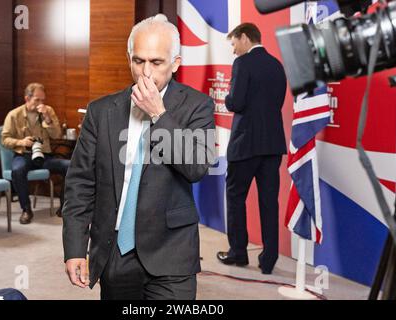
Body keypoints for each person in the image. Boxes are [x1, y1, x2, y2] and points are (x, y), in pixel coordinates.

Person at [62, 14, 215, 300]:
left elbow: (196, 167)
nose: (146, 72)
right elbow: (80, 184)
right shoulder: (101, 111)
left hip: (172, 252)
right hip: (115, 252)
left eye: (156, 63)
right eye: (138, 61)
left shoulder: (198, 106)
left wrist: (159, 114)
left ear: (175, 64)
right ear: (129, 58)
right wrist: (74, 247)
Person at [216, 23, 287, 274]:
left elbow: (236, 102)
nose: (234, 50)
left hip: (245, 144)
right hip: (272, 145)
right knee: (269, 203)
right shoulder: (277, 65)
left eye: (234, 44)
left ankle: (238, 253)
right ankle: (268, 260)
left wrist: (225, 97)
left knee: (235, 197)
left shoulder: (243, 64)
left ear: (245, 38)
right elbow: (276, 103)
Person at [2, 83, 70, 224]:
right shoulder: (14, 115)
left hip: (44, 155)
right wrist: (21, 142)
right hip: (24, 154)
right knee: (17, 170)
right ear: (27, 98)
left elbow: (57, 134)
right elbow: (4, 139)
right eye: (37, 100)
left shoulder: (48, 111)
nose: (41, 103)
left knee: (69, 166)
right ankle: (26, 209)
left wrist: (48, 119)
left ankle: (64, 206)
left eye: (43, 100)